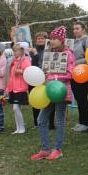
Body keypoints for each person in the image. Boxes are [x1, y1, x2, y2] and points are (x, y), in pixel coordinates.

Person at [30, 26, 75, 161]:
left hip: (60, 92)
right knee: (41, 119)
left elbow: (71, 73)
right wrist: (44, 76)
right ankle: (45, 149)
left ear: (62, 40)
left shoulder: (68, 54)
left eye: (55, 38)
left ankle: (57, 149)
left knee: (60, 120)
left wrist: (54, 77)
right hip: (48, 91)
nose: (53, 41)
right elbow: (44, 71)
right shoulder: (48, 53)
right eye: (52, 38)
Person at [29, 31, 54, 129]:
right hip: (34, 77)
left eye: (42, 38)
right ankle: (37, 122)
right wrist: (34, 54)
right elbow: (33, 64)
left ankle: (50, 123)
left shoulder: (50, 49)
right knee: (35, 98)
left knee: (49, 100)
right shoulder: (32, 50)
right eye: (38, 38)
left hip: (47, 76)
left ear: (46, 39)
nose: (40, 40)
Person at [70, 21, 88, 132]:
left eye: (77, 28)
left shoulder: (86, 40)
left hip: (83, 73)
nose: (75, 31)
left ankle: (86, 122)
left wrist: (75, 63)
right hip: (73, 73)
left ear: (83, 29)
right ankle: (81, 121)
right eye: (74, 29)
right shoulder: (72, 42)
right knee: (78, 98)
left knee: (82, 98)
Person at [7, 42, 31, 134]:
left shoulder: (26, 60)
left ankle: (22, 128)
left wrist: (20, 71)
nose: (14, 52)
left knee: (16, 108)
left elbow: (28, 71)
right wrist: (8, 87)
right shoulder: (15, 61)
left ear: (21, 51)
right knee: (15, 108)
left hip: (21, 87)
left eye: (16, 50)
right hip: (14, 88)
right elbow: (11, 76)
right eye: (14, 51)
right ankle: (18, 128)